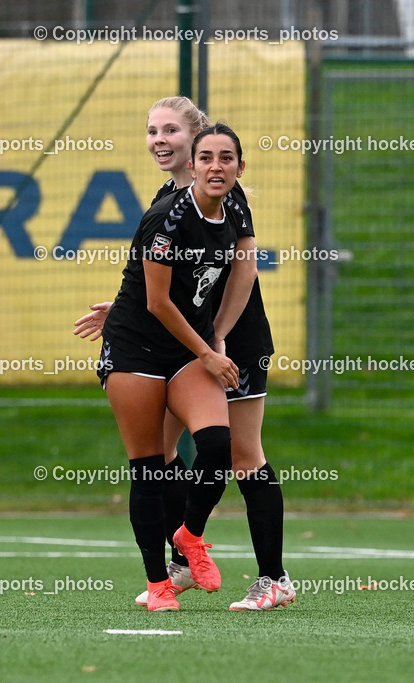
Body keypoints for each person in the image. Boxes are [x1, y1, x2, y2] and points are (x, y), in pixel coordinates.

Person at [75, 98, 293, 611]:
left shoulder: (226, 194)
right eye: (152, 130)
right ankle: (179, 561)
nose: (159, 139)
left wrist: (217, 339)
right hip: (181, 341)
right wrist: (125, 308)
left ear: (195, 140)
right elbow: (158, 284)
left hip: (231, 337)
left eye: (170, 129)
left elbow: (242, 272)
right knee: (163, 455)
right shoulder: (167, 201)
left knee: (242, 454)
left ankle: (273, 577)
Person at [91, 123, 251, 611]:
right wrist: (209, 352)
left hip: (188, 350)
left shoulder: (236, 205)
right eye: (207, 158)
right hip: (137, 347)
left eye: (226, 159)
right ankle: (159, 583)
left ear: (240, 167)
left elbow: (244, 268)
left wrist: (215, 338)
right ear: (193, 164)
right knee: (149, 468)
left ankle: (190, 535)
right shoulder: (167, 218)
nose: (216, 167)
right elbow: (157, 302)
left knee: (218, 446)